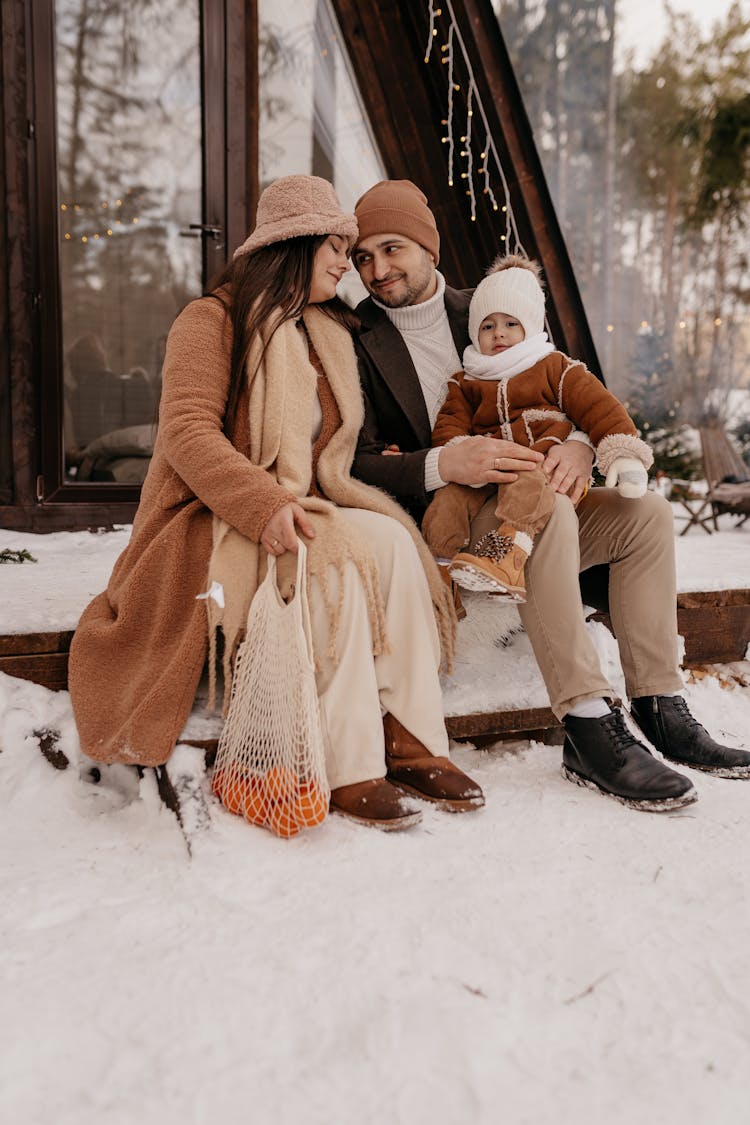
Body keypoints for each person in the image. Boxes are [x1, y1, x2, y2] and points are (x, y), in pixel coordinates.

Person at [68, 174, 484, 833]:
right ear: (297, 244)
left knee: (396, 544)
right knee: (336, 560)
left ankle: (412, 739)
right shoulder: (209, 323)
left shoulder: (324, 332)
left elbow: (331, 452)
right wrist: (263, 505)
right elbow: (186, 433)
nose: (349, 261)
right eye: (338, 245)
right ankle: (351, 764)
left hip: (305, 505)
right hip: (214, 519)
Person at [350, 178, 750, 811]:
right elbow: (354, 461)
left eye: (392, 249)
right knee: (552, 513)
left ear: (428, 247)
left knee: (644, 513)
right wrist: (442, 461)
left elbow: (571, 391)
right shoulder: (354, 338)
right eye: (363, 257)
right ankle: (589, 723)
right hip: (454, 513)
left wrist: (583, 449)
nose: (378, 269)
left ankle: (661, 704)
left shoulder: (492, 305)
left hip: (539, 485)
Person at [422, 253, 652, 601]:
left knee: (527, 482)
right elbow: (449, 425)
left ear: (529, 326)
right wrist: (458, 454)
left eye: (510, 323)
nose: (499, 333)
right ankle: (441, 576)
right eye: (488, 325)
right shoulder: (466, 380)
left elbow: (598, 406)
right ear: (474, 332)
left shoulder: (553, 367)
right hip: (487, 473)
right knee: (446, 502)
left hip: (540, 465)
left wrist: (624, 455)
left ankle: (507, 555)